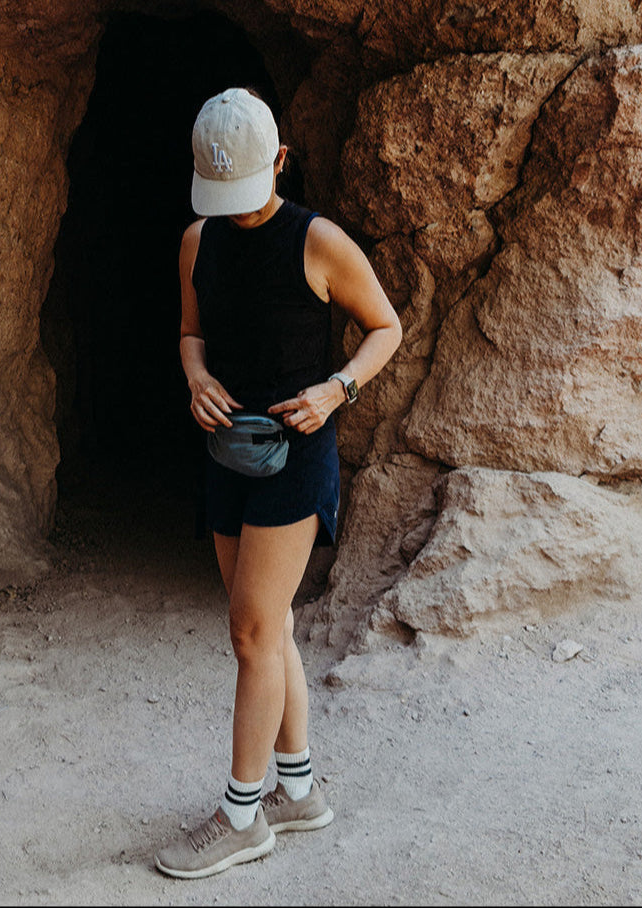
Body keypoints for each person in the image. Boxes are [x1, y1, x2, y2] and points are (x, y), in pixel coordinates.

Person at [154, 86, 402, 879]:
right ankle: (296, 794)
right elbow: (193, 334)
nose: (232, 211)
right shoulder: (199, 240)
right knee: (269, 626)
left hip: (298, 459)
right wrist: (195, 377)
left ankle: (240, 815)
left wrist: (339, 389)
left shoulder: (320, 242)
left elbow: (386, 326)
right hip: (228, 451)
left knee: (252, 632)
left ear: (281, 162)